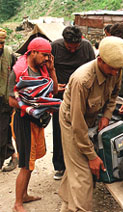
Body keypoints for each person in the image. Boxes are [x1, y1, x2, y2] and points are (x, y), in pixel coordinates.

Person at [58, 36, 123, 212]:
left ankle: (67, 206)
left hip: (91, 118)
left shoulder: (115, 68)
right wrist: (91, 156)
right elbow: (77, 124)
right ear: (100, 60)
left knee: (76, 167)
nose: (115, 73)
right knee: (84, 175)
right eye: (112, 69)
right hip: (71, 122)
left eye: (118, 69)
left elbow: (114, 95)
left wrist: (106, 116)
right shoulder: (82, 80)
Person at [8, 37, 58, 212]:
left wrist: (52, 70)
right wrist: (32, 106)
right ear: (33, 52)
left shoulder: (43, 69)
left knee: (31, 161)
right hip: (23, 121)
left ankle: (24, 195)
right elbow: (11, 100)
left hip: (37, 120)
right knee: (25, 164)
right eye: (44, 55)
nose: (46, 59)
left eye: (48, 56)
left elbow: (55, 90)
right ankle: (17, 204)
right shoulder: (18, 71)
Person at [51, 26, 95, 180]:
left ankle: (80, 164)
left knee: (81, 129)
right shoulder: (55, 47)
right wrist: (54, 85)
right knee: (59, 131)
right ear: (64, 41)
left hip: (81, 96)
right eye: (69, 47)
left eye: (75, 48)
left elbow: (93, 69)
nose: (72, 50)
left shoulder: (86, 47)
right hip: (60, 97)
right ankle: (60, 166)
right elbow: (48, 70)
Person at [0, 27, 18, 172]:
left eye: (2, 43)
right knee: (4, 131)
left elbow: (16, 75)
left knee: (2, 130)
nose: (0, 46)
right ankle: (13, 155)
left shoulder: (9, 54)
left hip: (5, 99)